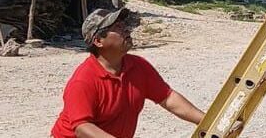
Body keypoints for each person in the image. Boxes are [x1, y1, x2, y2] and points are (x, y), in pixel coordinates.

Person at [51, 8, 204, 138]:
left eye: (123, 24)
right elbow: (82, 127)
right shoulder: (84, 80)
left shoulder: (138, 66)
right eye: (117, 27)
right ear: (98, 41)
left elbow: (168, 98)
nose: (125, 29)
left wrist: (206, 120)